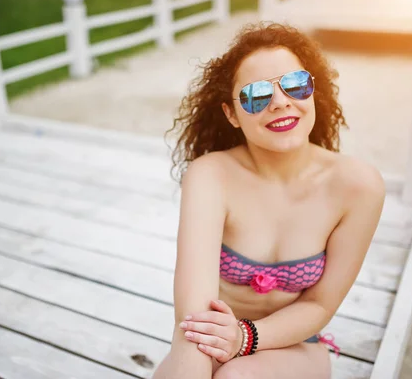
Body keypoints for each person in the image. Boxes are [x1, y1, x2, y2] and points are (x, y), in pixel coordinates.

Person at [152, 22, 385, 379]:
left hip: (293, 346)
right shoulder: (210, 176)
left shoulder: (358, 187)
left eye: (295, 85)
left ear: (312, 91)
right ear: (231, 113)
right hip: (210, 338)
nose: (280, 102)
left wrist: (243, 338)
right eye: (256, 95)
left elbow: (320, 304)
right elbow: (194, 316)